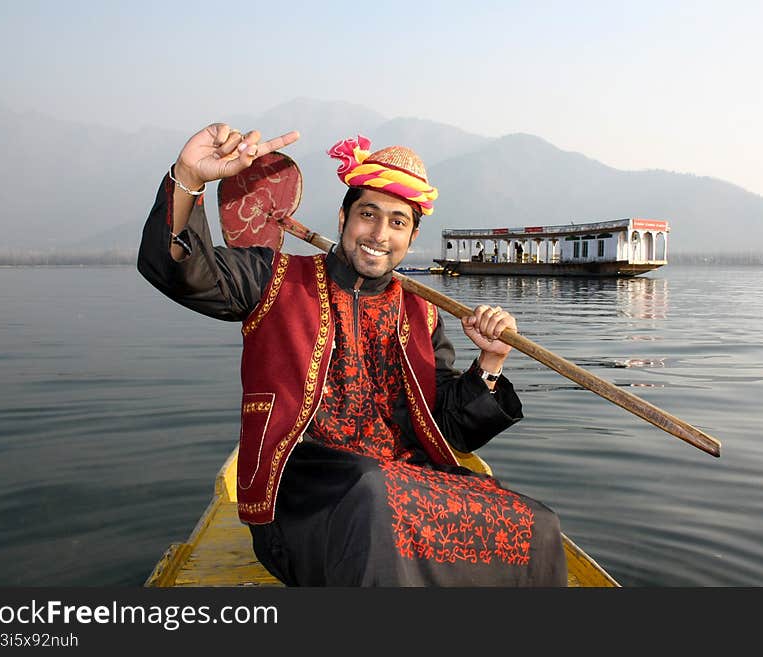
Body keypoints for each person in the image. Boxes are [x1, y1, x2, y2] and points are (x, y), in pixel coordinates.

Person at [138, 124, 567, 586]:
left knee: (539, 527)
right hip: (303, 501)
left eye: (398, 222)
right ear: (343, 221)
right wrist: (188, 176)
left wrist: (490, 363)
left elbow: (451, 430)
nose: (380, 234)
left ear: (410, 237)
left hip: (404, 487)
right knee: (372, 491)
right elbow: (178, 268)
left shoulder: (422, 314)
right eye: (369, 215)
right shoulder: (273, 279)